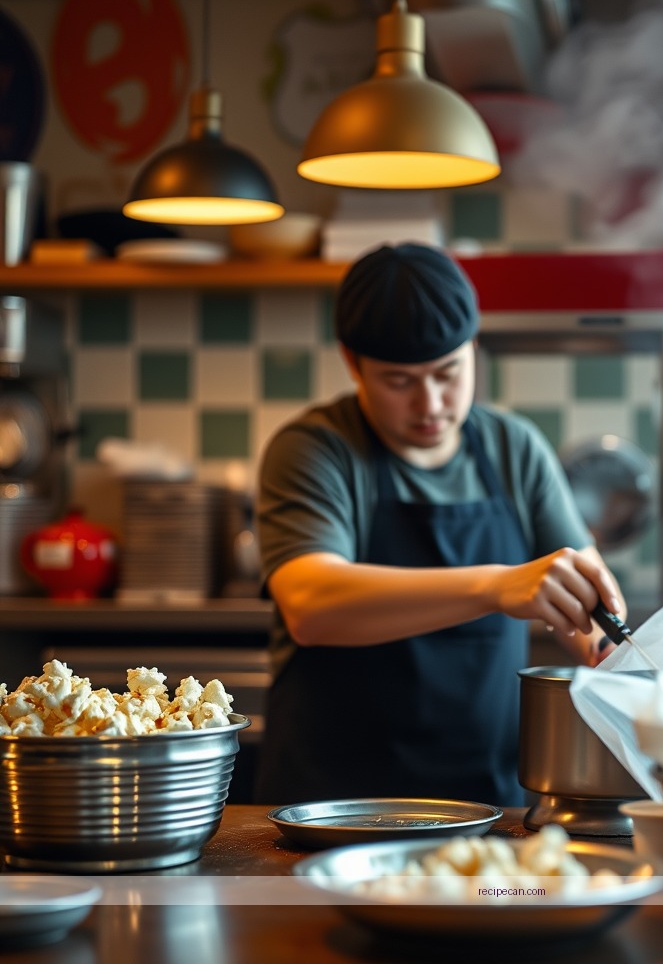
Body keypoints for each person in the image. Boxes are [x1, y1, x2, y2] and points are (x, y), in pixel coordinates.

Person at [253, 242, 625, 807]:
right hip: (333, 809)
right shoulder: (315, 451)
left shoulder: (513, 447)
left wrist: (626, 662)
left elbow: (581, 606)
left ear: (474, 350)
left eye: (448, 373)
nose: (430, 404)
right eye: (399, 381)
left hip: (488, 804)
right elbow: (310, 603)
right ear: (352, 363)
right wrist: (498, 586)